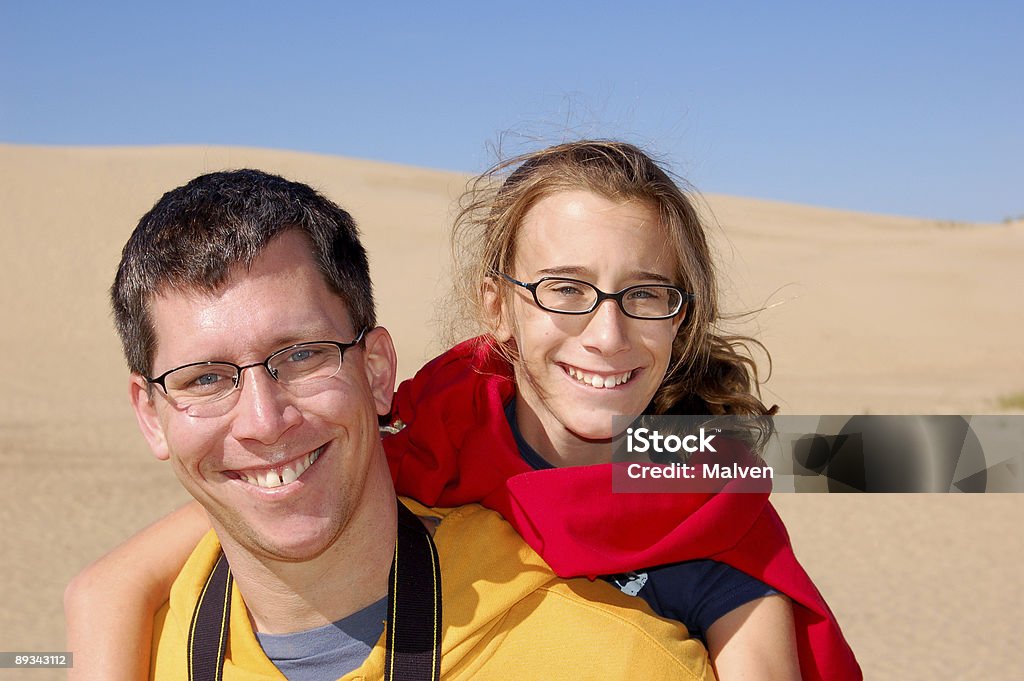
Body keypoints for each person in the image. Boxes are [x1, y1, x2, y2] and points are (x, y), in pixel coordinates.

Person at [67, 143, 861, 680]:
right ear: (498, 309)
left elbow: (955, 459)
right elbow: (118, 579)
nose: (607, 333)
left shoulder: (702, 479)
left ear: (680, 319)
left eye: (646, 295)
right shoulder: (442, 422)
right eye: (565, 290)